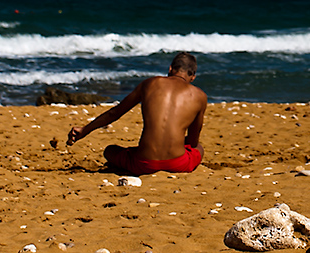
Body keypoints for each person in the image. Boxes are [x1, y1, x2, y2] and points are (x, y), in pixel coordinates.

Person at [67, 52, 207, 175]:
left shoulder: (150, 84)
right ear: (193, 77)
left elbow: (115, 113)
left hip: (143, 163)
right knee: (199, 148)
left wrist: (85, 129)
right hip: (177, 164)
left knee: (110, 151)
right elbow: (193, 142)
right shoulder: (200, 96)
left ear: (170, 69)